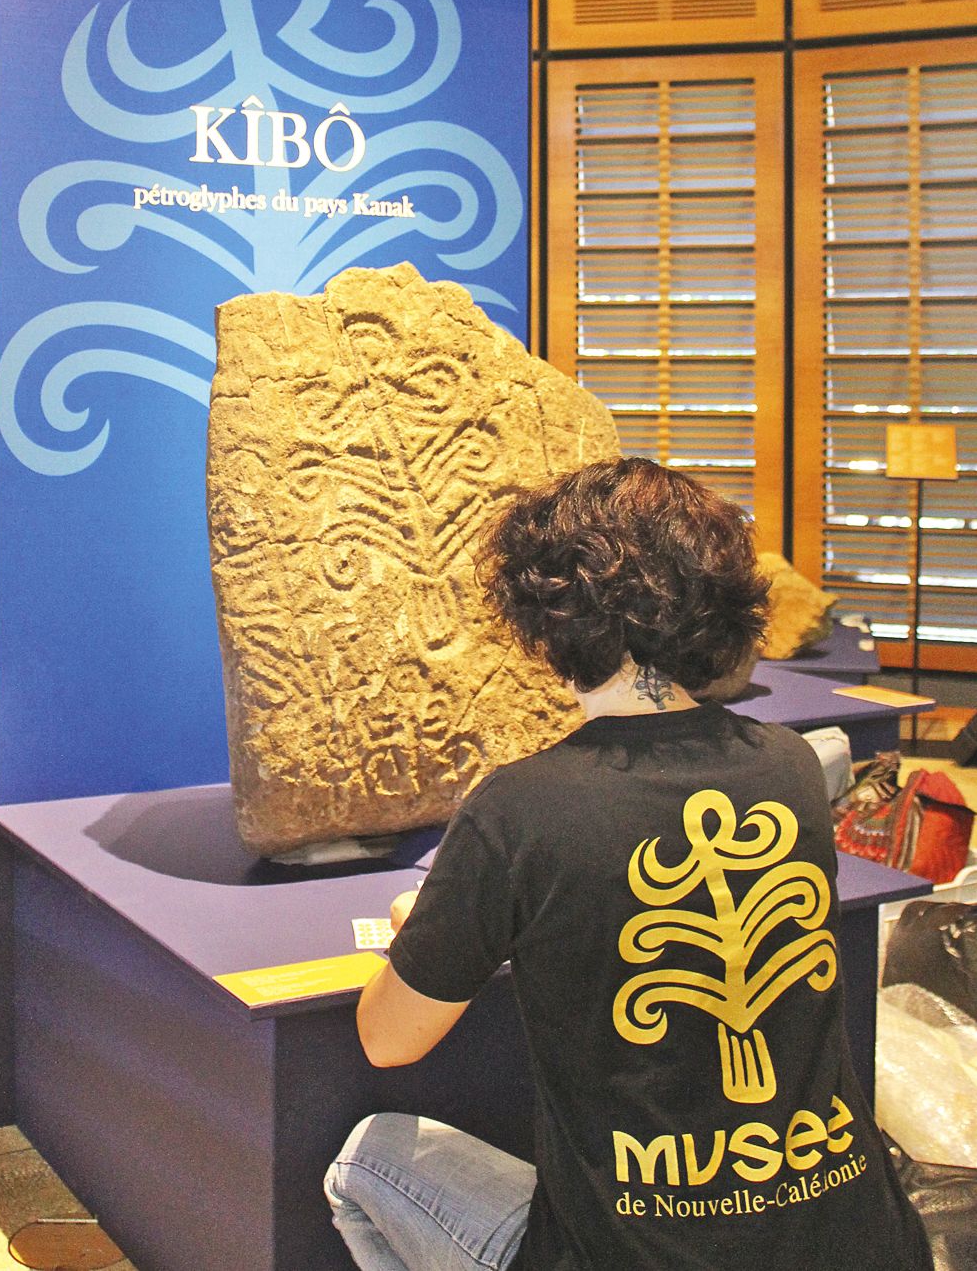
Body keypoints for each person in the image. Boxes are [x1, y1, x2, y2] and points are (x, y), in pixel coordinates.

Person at [324, 457, 932, 1270]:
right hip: (860, 1245)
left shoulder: (520, 809)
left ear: (544, 616)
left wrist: (429, 929)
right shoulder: (789, 765)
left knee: (362, 1161)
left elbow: (388, 1039)